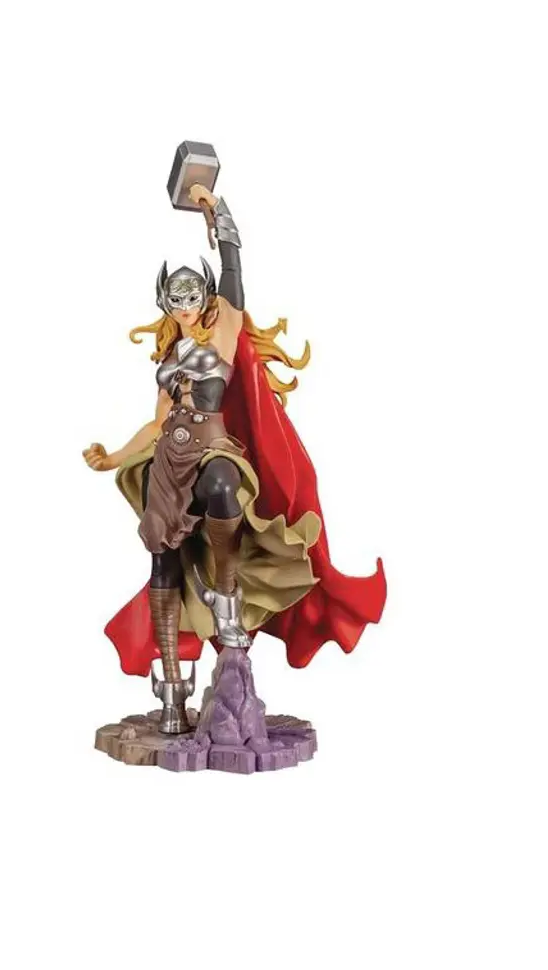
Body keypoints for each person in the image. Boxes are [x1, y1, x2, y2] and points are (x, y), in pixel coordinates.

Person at [83, 185, 385, 734]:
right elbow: (157, 422)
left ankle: (226, 593)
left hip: (213, 445)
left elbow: (233, 274)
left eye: (192, 296)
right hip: (168, 457)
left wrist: (214, 211)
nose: (186, 306)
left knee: (223, 487)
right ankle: (172, 688)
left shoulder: (222, 335)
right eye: (176, 299)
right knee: (163, 560)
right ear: (166, 304)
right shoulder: (170, 356)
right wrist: (115, 456)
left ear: (203, 297)